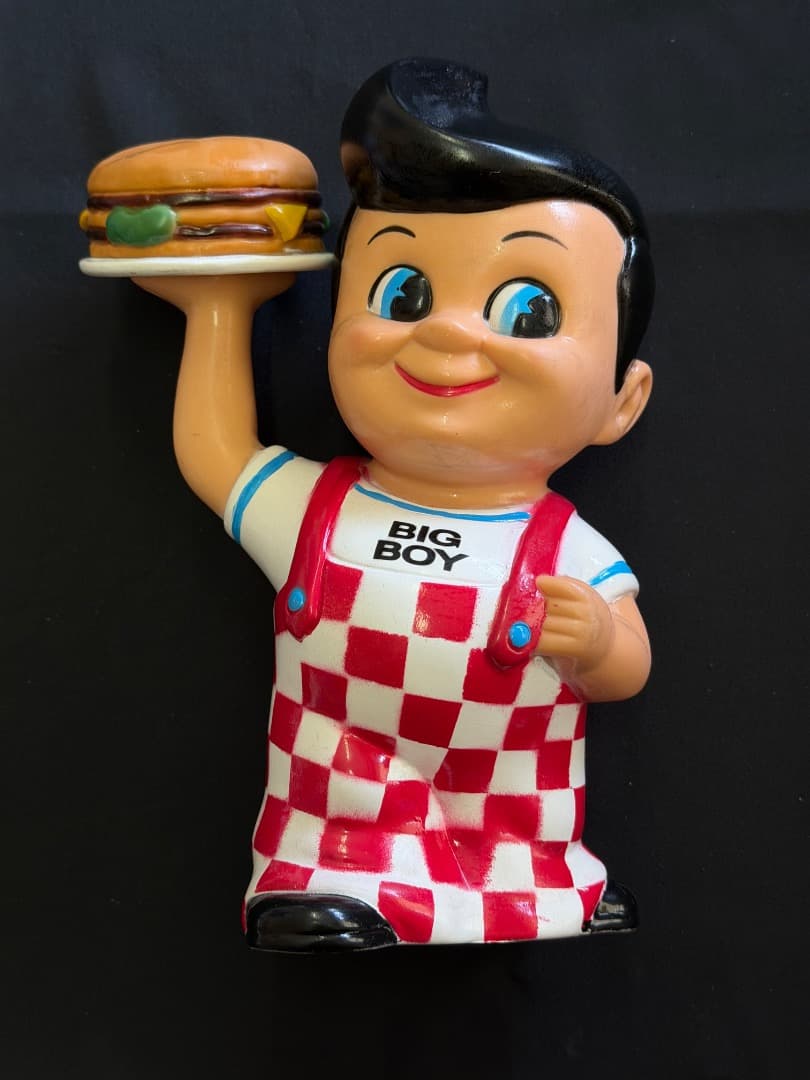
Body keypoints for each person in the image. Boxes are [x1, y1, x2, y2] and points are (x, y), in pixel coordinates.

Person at [138, 58, 654, 952]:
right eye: (403, 293)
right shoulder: (320, 505)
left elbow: (629, 668)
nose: (447, 331)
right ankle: (329, 885)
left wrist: (602, 643)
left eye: (527, 311)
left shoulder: (562, 542)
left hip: (510, 783)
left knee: (521, 836)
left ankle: (544, 888)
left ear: (622, 401)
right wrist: (216, 309)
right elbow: (215, 453)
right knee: (346, 814)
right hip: (346, 776)